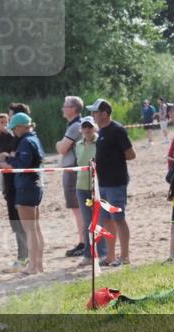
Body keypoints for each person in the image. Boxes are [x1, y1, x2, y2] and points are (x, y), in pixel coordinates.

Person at [0, 112, 46, 274]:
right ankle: (38, 265)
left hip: (26, 186)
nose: (13, 132)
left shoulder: (25, 141)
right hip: (36, 185)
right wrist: (13, 157)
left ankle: (33, 266)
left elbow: (21, 165)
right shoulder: (35, 139)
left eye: (14, 128)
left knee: (30, 229)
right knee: (36, 228)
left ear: (19, 127)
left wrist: (5, 161)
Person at [88, 99, 135, 266]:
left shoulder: (117, 130)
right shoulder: (101, 131)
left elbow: (131, 154)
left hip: (116, 182)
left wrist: (111, 160)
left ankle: (125, 256)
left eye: (95, 112)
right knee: (106, 220)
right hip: (103, 183)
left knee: (118, 219)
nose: (93, 115)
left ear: (104, 114)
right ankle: (110, 256)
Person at [0, 106, 29, 268]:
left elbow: (12, 160)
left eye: (10, 119)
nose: (8, 124)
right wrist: (1, 160)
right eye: (5, 121)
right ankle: (24, 256)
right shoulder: (7, 138)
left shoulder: (20, 140)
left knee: (20, 223)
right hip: (10, 186)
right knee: (16, 223)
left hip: (16, 187)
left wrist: (3, 160)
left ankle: (24, 257)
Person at [74, 116, 107, 266]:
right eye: (84, 127)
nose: (87, 130)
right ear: (81, 129)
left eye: (90, 127)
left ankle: (102, 252)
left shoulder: (100, 142)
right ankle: (88, 254)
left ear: (94, 127)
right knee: (87, 222)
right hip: (81, 186)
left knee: (99, 220)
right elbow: (79, 163)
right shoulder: (78, 145)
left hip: (98, 186)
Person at [56, 96, 87, 258]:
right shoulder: (75, 125)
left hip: (73, 168)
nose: (62, 108)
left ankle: (83, 242)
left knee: (77, 208)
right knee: (78, 207)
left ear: (73, 108)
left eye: (65, 105)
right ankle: (83, 241)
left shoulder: (75, 126)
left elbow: (62, 148)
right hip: (74, 168)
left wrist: (59, 144)